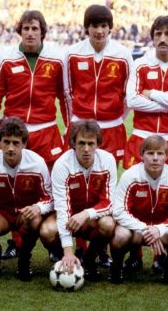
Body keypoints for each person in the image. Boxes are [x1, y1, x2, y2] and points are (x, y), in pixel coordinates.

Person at [0, 10, 68, 169]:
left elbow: (65, 98)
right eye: (26, 28)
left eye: (34, 28)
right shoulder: (7, 59)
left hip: (45, 131)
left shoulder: (56, 59)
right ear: (20, 31)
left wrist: (70, 130)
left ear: (42, 32)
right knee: (9, 182)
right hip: (12, 132)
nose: (30, 33)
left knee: (46, 183)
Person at [0, 117, 54, 281]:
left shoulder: (37, 164)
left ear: (24, 144)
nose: (10, 148)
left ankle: (24, 260)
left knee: (34, 220)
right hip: (0, 212)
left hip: (26, 212)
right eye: (6, 142)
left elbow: (50, 197)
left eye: (16, 143)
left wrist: (38, 208)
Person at [110, 135, 168, 284]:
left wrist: (159, 229)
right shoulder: (130, 176)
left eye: (160, 154)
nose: (155, 158)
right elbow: (119, 211)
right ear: (142, 155)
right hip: (135, 231)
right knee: (120, 235)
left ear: (166, 156)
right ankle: (117, 267)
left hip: (162, 232)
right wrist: (145, 229)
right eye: (150, 153)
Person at [125, 15, 168, 173]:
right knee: (138, 189)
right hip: (142, 135)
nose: (163, 38)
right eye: (158, 34)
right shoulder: (140, 65)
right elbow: (132, 100)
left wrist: (152, 93)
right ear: (152, 38)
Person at [63, 5, 132, 164]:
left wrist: (114, 117)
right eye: (94, 26)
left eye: (104, 26)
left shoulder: (123, 55)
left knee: (108, 177)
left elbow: (128, 95)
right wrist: (76, 119)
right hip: (80, 125)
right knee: (77, 176)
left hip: (112, 127)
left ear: (110, 28)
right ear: (87, 27)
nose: (99, 31)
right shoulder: (73, 53)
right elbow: (68, 92)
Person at [51, 120, 117, 280]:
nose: (86, 149)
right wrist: (68, 250)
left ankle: (89, 258)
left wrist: (86, 214)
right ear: (73, 143)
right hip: (69, 217)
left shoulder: (108, 160)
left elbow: (109, 202)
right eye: (81, 143)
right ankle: (65, 259)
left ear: (98, 144)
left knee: (108, 224)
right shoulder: (62, 165)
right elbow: (62, 207)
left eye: (90, 143)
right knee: (47, 231)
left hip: (92, 218)